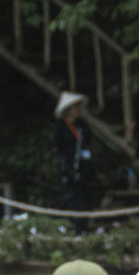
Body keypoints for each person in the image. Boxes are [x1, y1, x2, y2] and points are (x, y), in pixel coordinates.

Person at [54, 92, 97, 229]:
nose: (78, 110)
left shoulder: (82, 126)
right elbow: (57, 149)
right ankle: (77, 230)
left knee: (86, 201)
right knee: (74, 201)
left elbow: (87, 144)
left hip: (84, 170)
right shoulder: (60, 128)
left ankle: (84, 228)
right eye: (75, 107)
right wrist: (65, 169)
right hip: (69, 171)